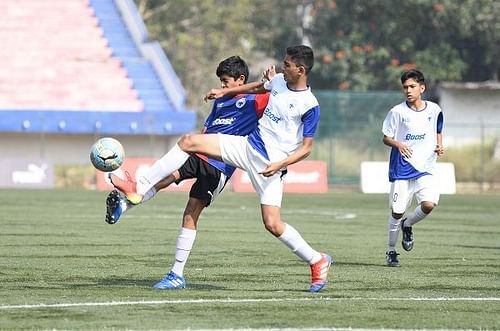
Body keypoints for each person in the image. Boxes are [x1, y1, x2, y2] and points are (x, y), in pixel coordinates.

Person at [110, 45, 332, 293]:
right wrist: (224, 91)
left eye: (288, 64)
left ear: (301, 70)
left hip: (271, 165)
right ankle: (138, 187)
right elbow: (259, 87)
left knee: (272, 224)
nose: (283, 67)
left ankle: (316, 260)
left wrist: (280, 164)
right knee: (188, 141)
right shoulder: (279, 81)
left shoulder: (310, 105)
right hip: (247, 147)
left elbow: (307, 148)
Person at [106, 56, 269, 289]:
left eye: (225, 81)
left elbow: (274, 92)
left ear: (240, 79)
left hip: (220, 164)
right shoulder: (220, 102)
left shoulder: (256, 100)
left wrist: (269, 83)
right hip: (199, 153)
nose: (222, 86)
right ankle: (125, 204)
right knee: (164, 179)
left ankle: (176, 274)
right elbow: (206, 129)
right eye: (220, 82)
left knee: (191, 212)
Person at [382, 69, 444, 267]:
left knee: (428, 205)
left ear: (422, 88)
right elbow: (386, 137)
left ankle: (408, 225)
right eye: (405, 88)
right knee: (397, 212)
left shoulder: (434, 109)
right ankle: (391, 251)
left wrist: (439, 144)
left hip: (426, 167)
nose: (408, 91)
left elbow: (438, 128)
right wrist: (398, 144)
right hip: (402, 168)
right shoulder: (397, 112)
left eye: (412, 86)